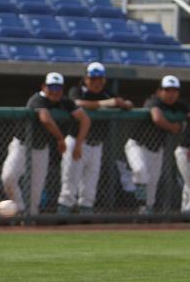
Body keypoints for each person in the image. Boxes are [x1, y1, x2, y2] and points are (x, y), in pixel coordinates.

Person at [0, 72, 90, 216]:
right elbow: (45, 119)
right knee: (8, 177)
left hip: (41, 150)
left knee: (35, 193)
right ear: (44, 86)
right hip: (22, 146)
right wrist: (60, 139)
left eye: (58, 88)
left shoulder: (65, 101)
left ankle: (29, 224)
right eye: (52, 87)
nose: (55, 91)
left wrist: (78, 144)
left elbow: (85, 119)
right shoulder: (37, 99)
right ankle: (20, 209)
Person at [58, 62, 133, 215]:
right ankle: (64, 211)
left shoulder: (106, 92)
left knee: (90, 182)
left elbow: (128, 104)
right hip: (76, 141)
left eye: (99, 79)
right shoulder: (77, 90)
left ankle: (86, 211)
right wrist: (108, 103)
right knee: (70, 179)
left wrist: (123, 104)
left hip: (96, 144)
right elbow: (76, 103)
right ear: (86, 78)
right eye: (93, 79)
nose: (96, 82)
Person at [124, 75, 189, 214]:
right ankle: (141, 206)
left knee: (152, 184)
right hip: (137, 145)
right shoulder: (154, 100)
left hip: (157, 149)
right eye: (167, 90)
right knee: (140, 171)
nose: (171, 94)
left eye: (174, 90)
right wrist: (174, 127)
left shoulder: (180, 105)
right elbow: (157, 118)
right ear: (160, 91)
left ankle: (148, 211)